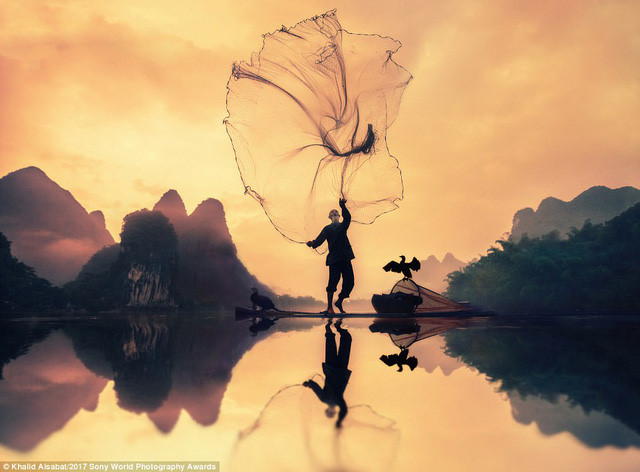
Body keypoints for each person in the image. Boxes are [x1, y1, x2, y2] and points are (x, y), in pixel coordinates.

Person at [306, 198, 354, 314]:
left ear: (339, 216)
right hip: (334, 260)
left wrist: (343, 206)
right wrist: (312, 243)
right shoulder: (327, 229)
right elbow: (318, 241)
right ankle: (329, 308)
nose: (334, 214)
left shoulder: (343, 226)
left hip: (345, 258)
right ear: (330, 218)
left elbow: (348, 218)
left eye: (336, 213)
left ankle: (339, 301)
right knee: (332, 282)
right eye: (332, 214)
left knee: (350, 282)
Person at [303, 320, 352, 428]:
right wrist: (308, 383)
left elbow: (344, 409)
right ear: (332, 411)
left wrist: (339, 421)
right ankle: (330, 327)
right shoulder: (325, 399)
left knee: (345, 343)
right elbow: (315, 387)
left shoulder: (334, 401)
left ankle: (337, 328)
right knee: (331, 346)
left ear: (332, 411)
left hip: (340, 371)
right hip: (331, 369)